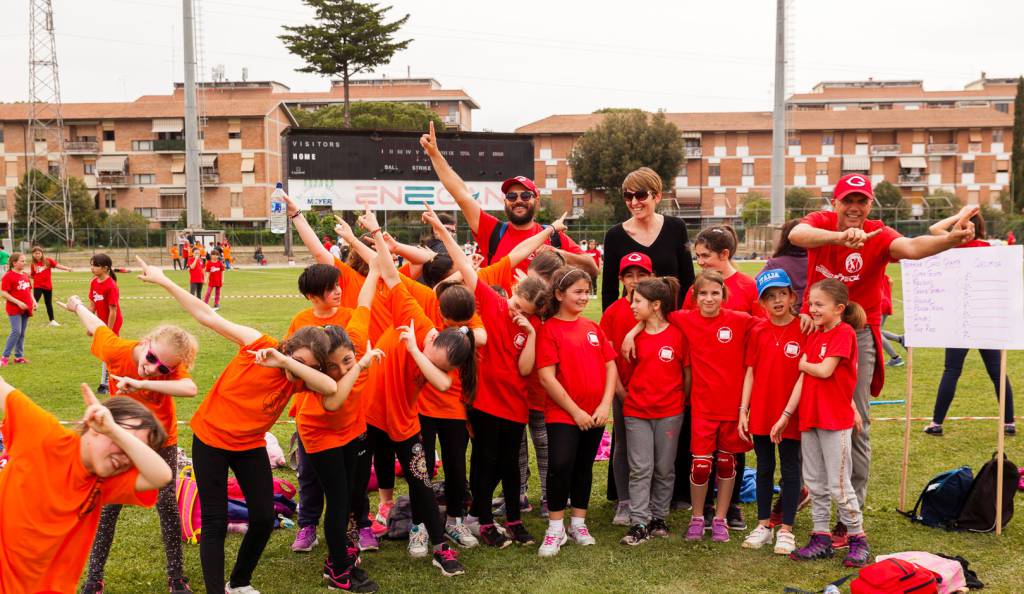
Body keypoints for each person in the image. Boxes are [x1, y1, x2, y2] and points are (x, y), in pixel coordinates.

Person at [789, 173, 976, 547]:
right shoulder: (823, 223)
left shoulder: (879, 232)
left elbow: (912, 246)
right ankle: (813, 503)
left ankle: (850, 516)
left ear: (870, 205)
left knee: (853, 420)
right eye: (848, 201)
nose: (855, 208)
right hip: (815, 332)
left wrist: (949, 241)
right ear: (835, 203)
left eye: (862, 202)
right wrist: (839, 237)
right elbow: (797, 236)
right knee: (806, 417)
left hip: (858, 338)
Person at [133, 255, 340, 594]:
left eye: (308, 365)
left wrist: (288, 362)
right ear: (289, 346)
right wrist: (164, 280)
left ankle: (239, 583)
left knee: (261, 518)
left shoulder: (296, 376)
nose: (297, 368)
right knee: (214, 521)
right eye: (298, 359)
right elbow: (206, 315)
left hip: (249, 446)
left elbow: (331, 388)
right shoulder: (257, 343)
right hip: (211, 441)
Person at [432, 202, 551, 549]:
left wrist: (528, 332)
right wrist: (443, 233)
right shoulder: (495, 304)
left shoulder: (534, 326)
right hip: (484, 402)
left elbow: (527, 369)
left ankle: (513, 519)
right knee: (484, 463)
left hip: (516, 405)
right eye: (516, 304)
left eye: (524, 310)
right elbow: (468, 269)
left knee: (511, 467)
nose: (515, 311)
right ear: (512, 293)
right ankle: (482, 520)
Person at [62, 296, 199, 594]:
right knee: (108, 507)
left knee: (167, 507)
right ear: (146, 342)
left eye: (163, 368)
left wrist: (143, 383)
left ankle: (176, 579)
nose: (153, 368)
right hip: (121, 442)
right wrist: (77, 306)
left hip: (162, 442)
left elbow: (189, 388)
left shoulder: (170, 367)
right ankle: (94, 580)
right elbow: (98, 327)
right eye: (150, 359)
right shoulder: (118, 352)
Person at [361, 212, 472, 576]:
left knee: (422, 483)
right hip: (369, 416)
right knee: (355, 480)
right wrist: (376, 230)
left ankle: (441, 548)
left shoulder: (434, 366)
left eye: (440, 365)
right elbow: (391, 274)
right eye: (433, 356)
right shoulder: (416, 320)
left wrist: (414, 353)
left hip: (404, 423)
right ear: (435, 337)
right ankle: (352, 540)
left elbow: (440, 384)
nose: (434, 365)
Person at [0, 379, 171, 594]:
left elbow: (162, 476)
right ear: (94, 424)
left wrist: (115, 432)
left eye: (132, 450)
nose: (125, 458)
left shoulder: (107, 482)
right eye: (120, 440)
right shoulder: (44, 435)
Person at [293, 264, 384, 591]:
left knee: (349, 496)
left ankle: (338, 560)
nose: (345, 369)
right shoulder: (320, 381)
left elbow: (365, 302)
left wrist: (374, 268)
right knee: (338, 499)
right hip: (320, 432)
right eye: (334, 367)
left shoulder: (355, 336)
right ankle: (338, 571)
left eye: (348, 360)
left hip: (352, 428)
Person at [773, 278, 870, 568]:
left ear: (839, 308)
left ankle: (857, 539)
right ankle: (821, 538)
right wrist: (786, 415)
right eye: (810, 304)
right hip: (810, 419)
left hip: (833, 421)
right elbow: (805, 381)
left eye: (819, 305)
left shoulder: (844, 333)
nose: (812, 309)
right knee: (815, 484)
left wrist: (802, 363)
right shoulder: (815, 335)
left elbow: (825, 371)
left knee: (839, 484)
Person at [419, 122, 596, 278]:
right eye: (512, 196)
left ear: (537, 199)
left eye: (525, 195)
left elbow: (592, 269)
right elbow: (461, 194)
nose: (518, 200)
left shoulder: (553, 237)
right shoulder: (492, 231)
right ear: (505, 201)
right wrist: (435, 155)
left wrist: (559, 253)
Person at [536, 266, 617, 557]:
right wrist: (576, 411)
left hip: (595, 414)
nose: (585, 297)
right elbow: (547, 377)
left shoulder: (593, 328)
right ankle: (555, 528)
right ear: (559, 294)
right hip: (564, 414)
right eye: (578, 292)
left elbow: (610, 365)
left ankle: (579, 524)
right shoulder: (549, 331)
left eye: (587, 291)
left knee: (584, 467)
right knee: (560, 466)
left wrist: (604, 404)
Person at [924, 209, 1015, 436]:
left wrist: (959, 215)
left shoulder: (953, 246)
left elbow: (935, 229)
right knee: (997, 372)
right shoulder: (988, 248)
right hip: (984, 318)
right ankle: (1009, 423)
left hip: (961, 318)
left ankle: (936, 423)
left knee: (952, 370)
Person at [739, 269, 806, 555]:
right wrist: (744, 409)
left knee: (791, 471)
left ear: (792, 296)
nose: (777, 300)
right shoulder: (757, 330)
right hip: (762, 412)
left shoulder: (806, 328)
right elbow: (751, 372)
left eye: (782, 293)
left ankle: (787, 529)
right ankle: (764, 525)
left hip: (792, 412)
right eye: (770, 296)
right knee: (764, 468)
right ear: (762, 303)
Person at [618, 276, 688, 546]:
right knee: (640, 468)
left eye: (638, 301)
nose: (632, 305)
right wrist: (632, 401)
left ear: (656, 305)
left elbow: (687, 374)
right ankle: (639, 522)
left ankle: (659, 517)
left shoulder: (678, 334)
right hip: (637, 413)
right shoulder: (632, 338)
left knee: (663, 467)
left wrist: (678, 402)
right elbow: (623, 376)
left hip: (670, 412)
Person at [600, 252, 654, 525]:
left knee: (652, 448)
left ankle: (650, 501)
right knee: (623, 443)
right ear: (621, 279)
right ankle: (625, 501)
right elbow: (607, 358)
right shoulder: (613, 311)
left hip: (656, 392)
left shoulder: (658, 308)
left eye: (641, 275)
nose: (635, 281)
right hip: (625, 391)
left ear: (651, 276)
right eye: (629, 276)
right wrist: (621, 393)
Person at [601, 167, 695, 312]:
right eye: (628, 196)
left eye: (640, 195)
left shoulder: (676, 227)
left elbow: (688, 281)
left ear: (657, 196)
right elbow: (609, 290)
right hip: (633, 319)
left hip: (671, 317)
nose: (633, 202)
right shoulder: (615, 236)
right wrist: (610, 325)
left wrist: (684, 318)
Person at [683, 225, 762, 316]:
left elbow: (761, 326)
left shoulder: (750, 287)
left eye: (705, 256)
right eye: (697, 256)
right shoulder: (695, 288)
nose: (700, 262)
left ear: (724, 254)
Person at [89, 254, 122, 394]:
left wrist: (108, 330)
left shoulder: (111, 286)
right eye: (92, 265)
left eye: (95, 265)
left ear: (105, 268)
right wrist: (90, 325)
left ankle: (106, 384)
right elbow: (92, 307)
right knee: (107, 353)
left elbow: (113, 311)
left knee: (108, 353)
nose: (92, 268)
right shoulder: (94, 282)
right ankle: (111, 380)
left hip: (112, 323)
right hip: (100, 323)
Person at [761, 219, 808, 312]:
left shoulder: (775, 264)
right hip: (813, 313)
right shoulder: (817, 261)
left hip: (786, 313)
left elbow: (756, 285)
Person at [1, 253, 33, 366]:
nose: (25, 263)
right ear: (14, 263)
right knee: (16, 331)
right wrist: (18, 302)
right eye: (22, 261)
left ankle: (19, 357)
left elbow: (29, 290)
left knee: (22, 333)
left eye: (25, 261)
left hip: (26, 308)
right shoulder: (8, 276)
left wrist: (33, 301)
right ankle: (4, 357)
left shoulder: (24, 275)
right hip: (14, 309)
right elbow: (4, 293)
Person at [28, 246, 71, 327]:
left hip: (48, 286)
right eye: (35, 253)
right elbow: (33, 276)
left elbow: (58, 265)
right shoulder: (33, 264)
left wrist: (67, 268)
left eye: (38, 253)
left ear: (42, 253)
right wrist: (26, 275)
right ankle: (23, 317)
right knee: (34, 301)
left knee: (48, 304)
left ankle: (52, 321)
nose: (37, 255)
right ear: (33, 254)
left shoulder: (48, 261)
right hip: (38, 286)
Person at [879, 275, 904, 367]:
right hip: (886, 303)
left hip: (880, 304)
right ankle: (900, 339)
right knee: (876, 330)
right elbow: (891, 281)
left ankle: (895, 358)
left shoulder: (872, 273)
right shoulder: (884, 275)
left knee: (876, 332)